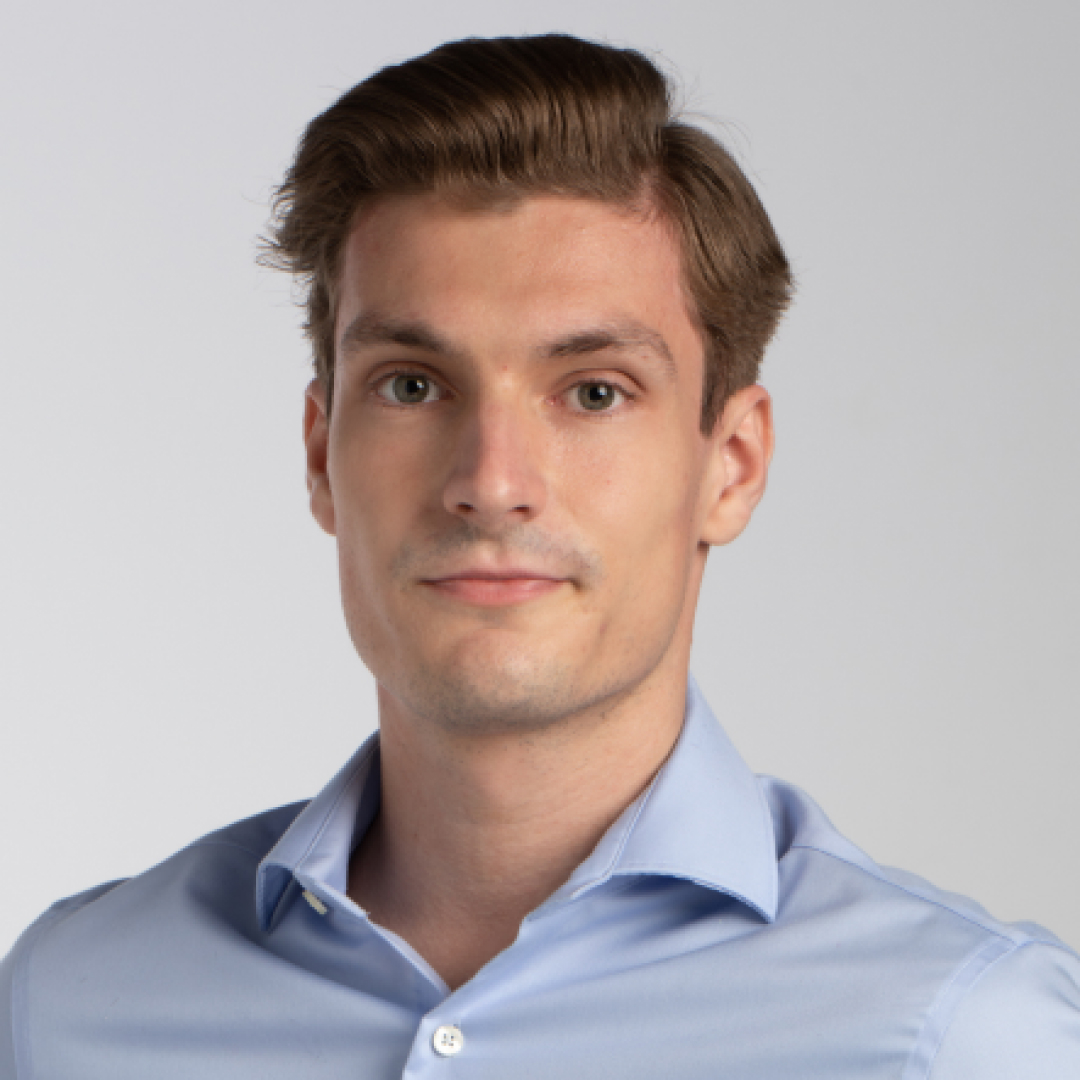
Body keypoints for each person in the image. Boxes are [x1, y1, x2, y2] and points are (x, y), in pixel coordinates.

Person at [2, 31, 1077, 1079]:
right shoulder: (69, 1010)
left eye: (594, 391)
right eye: (413, 385)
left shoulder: (965, 1037)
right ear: (323, 454)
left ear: (732, 465)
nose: (493, 477)